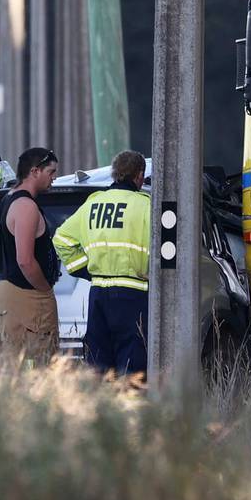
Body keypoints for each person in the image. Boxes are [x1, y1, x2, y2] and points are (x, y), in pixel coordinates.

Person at [54, 150, 152, 374]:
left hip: (98, 294)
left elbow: (61, 239)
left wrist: (85, 270)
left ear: (115, 174)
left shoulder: (93, 204)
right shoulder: (146, 205)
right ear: (139, 175)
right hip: (133, 294)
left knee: (98, 365)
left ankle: (101, 407)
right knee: (132, 366)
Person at [0, 147, 60, 365]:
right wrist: (44, 288)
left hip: (8, 290)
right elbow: (25, 260)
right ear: (34, 171)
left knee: (12, 363)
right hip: (26, 295)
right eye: (51, 172)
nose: (54, 178)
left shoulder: (6, 200)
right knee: (34, 364)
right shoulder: (25, 206)